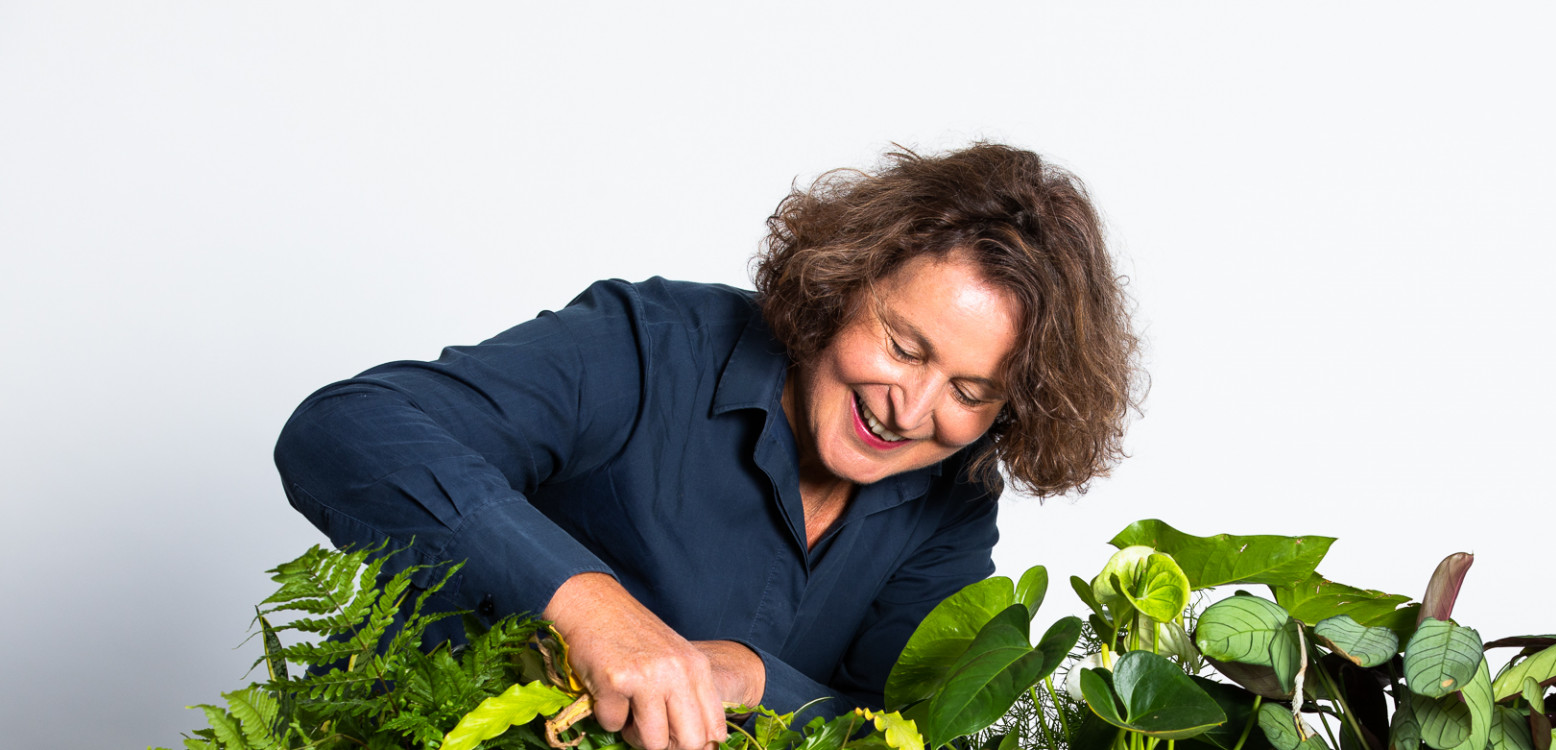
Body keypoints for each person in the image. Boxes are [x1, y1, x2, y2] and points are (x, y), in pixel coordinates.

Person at [274, 143, 1141, 750]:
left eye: (968, 391)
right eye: (904, 347)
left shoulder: (950, 505)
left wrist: (749, 677)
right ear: (846, 281)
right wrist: (591, 611)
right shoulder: (649, 345)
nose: (910, 409)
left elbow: (895, 724)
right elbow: (344, 431)